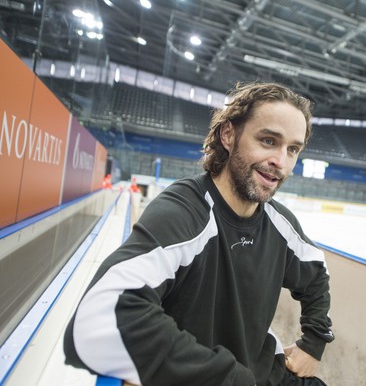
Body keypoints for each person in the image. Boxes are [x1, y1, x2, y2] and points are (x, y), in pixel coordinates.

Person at [63, 81, 334, 386]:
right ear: (228, 134)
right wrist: (228, 378)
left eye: (293, 149)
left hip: (261, 372)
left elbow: (316, 274)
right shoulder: (183, 213)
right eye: (269, 141)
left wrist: (314, 340)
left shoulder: (280, 224)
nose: (281, 162)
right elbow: (98, 318)